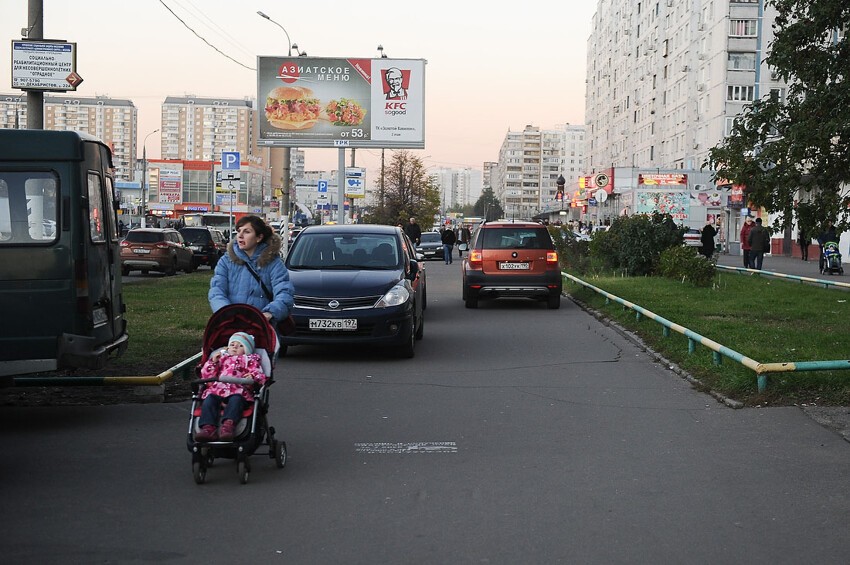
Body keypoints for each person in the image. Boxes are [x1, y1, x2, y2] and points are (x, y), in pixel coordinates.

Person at [209, 215, 295, 330]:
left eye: (247, 232)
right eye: (239, 231)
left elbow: (284, 294)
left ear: (259, 237)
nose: (240, 235)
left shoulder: (274, 264)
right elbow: (216, 291)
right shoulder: (226, 260)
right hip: (230, 327)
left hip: (260, 329)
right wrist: (226, 313)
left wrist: (269, 314)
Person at [195, 332, 267, 441]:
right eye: (232, 344)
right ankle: (208, 428)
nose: (235, 347)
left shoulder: (250, 360)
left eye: (240, 345)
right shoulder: (221, 358)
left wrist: (252, 376)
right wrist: (213, 362)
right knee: (209, 400)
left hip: (238, 391)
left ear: (247, 350)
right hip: (217, 391)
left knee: (236, 400)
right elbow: (206, 376)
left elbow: (260, 375)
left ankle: (228, 426)